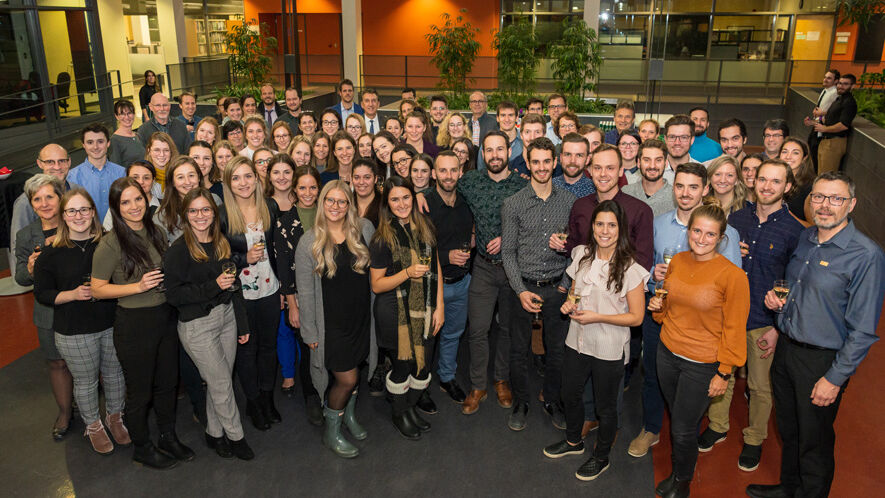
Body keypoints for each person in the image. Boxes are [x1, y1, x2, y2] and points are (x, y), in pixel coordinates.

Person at [747, 171, 884, 498]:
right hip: (787, 351)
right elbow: (797, 294)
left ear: (851, 204)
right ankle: (789, 488)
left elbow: (863, 330)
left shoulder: (866, 255)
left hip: (821, 362)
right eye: (819, 197)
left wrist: (835, 378)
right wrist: (778, 319)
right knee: (789, 430)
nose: (825, 205)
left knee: (815, 441)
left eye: (835, 199)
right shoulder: (807, 238)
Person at [628, 163, 743, 461]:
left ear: (705, 190)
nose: (686, 193)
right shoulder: (659, 222)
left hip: (703, 330)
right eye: (680, 186)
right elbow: (645, 267)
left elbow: (732, 291)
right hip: (661, 314)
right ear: (672, 186)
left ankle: (684, 434)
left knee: (690, 393)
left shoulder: (725, 232)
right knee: (652, 375)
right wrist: (654, 274)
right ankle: (651, 428)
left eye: (694, 187)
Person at [702, 159, 804, 472]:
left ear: (787, 187)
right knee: (724, 375)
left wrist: (778, 326)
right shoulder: (736, 218)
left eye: (776, 181)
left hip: (763, 322)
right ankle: (718, 426)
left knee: (760, 386)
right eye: (762, 179)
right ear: (753, 181)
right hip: (728, 315)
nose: (767, 186)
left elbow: (795, 280)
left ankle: (755, 438)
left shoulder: (795, 230)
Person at [648, 200, 750, 498]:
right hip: (667, 353)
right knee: (677, 418)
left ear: (721, 237)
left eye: (709, 234)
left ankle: (682, 481)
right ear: (689, 231)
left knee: (682, 427)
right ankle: (679, 472)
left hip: (703, 364)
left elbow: (734, 328)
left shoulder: (733, 276)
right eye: (696, 231)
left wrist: (724, 372)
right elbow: (667, 302)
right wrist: (658, 306)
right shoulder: (677, 261)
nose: (701, 239)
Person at [543, 200, 649, 481]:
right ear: (592, 226)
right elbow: (575, 293)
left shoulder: (630, 268)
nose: (605, 230)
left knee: (605, 407)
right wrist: (568, 304)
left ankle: (601, 457)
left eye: (611, 225)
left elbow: (637, 317)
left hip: (608, 347)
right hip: (576, 339)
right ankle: (573, 441)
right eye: (600, 224)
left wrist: (598, 317)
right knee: (570, 394)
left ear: (621, 229)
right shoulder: (581, 254)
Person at [92, 177, 193, 469]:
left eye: (137, 199)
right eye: (125, 202)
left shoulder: (157, 231)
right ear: (116, 207)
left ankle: (167, 436)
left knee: (167, 383)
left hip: (165, 317)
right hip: (135, 323)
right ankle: (142, 446)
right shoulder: (110, 244)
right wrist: (137, 287)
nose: (134, 206)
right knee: (140, 390)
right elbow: (97, 289)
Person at [33, 188, 129, 455]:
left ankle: (115, 417)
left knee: (114, 374)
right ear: (63, 216)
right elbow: (42, 293)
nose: (79, 216)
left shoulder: (108, 242)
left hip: (111, 323)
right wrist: (72, 294)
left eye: (84, 209)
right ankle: (93, 425)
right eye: (72, 211)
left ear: (93, 212)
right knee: (86, 381)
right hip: (74, 330)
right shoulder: (51, 253)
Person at [164, 188, 255, 460]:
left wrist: (242, 324)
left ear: (214, 214)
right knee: (221, 385)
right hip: (197, 325)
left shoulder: (220, 242)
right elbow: (174, 295)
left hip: (226, 316)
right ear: (185, 215)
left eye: (206, 210)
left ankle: (214, 434)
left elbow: (232, 285)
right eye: (193, 211)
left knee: (221, 381)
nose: (200, 216)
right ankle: (236, 437)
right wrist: (211, 286)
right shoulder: (178, 251)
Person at [295, 181, 375, 457]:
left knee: (356, 369)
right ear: (322, 202)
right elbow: (304, 294)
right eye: (330, 200)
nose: (336, 207)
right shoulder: (309, 242)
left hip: (361, 319)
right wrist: (310, 333)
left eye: (342, 202)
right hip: (332, 325)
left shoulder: (364, 229)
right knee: (347, 379)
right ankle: (331, 432)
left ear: (349, 205)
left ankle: (347, 417)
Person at [502, 137, 577, 432]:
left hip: (558, 287)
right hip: (523, 286)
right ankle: (521, 401)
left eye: (548, 161)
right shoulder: (513, 203)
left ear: (555, 162)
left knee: (557, 350)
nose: (542, 167)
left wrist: (567, 283)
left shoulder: (570, 203)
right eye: (536, 162)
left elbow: (578, 249)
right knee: (519, 349)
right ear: (528, 164)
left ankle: (553, 401)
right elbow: (507, 252)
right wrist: (520, 290)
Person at [456, 131, 527, 415]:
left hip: (513, 269)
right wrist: (422, 198)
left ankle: (501, 380)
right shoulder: (470, 182)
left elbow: (532, 227)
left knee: (508, 329)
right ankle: (477, 385)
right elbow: (446, 197)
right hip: (483, 266)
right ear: (482, 154)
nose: (495, 155)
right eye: (489, 150)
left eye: (500, 149)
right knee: (478, 329)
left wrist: (510, 239)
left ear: (509, 151)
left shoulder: (523, 186)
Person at [370, 176, 444, 439]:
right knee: (403, 365)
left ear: (413, 198)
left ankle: (410, 408)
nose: (401, 204)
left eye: (405, 197)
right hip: (393, 311)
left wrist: (439, 306)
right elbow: (377, 285)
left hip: (425, 308)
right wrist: (407, 273)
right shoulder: (382, 237)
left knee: (421, 366)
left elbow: (435, 266)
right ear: (387, 205)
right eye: (394, 199)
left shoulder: (424, 226)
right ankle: (399, 413)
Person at [220, 156, 281, 431]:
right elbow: (217, 262)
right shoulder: (222, 216)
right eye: (236, 178)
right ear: (228, 183)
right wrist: (244, 258)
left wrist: (285, 289)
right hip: (239, 295)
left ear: (256, 178)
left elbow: (279, 251)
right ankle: (253, 401)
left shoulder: (269, 206)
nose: (243, 183)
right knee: (247, 350)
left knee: (269, 348)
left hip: (270, 289)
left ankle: (268, 397)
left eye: (248, 176)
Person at [14, 175, 73, 442]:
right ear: (32, 204)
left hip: (81, 304)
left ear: (60, 198)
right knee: (56, 362)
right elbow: (20, 278)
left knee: (97, 362)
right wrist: (29, 269)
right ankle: (65, 413)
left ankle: (104, 413)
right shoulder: (26, 235)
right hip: (48, 310)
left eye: (49, 196)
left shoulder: (77, 222)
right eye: (37, 199)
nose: (44, 203)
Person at [273, 165, 323, 426]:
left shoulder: (330, 215)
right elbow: (284, 267)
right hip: (302, 297)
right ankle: (312, 396)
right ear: (295, 190)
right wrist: (292, 305)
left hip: (328, 293)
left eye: (312, 187)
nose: (307, 192)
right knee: (308, 347)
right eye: (302, 188)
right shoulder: (284, 223)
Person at [424, 151, 473, 404]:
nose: (448, 175)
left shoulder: (466, 202)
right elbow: (418, 250)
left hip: (462, 282)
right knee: (426, 337)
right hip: (433, 285)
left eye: (453, 170)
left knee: (453, 333)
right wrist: (446, 257)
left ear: (460, 172)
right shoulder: (424, 204)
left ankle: (446, 376)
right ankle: (419, 385)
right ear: (434, 174)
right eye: (442, 170)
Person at [563, 144, 653, 270]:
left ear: (621, 170)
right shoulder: (580, 206)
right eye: (597, 168)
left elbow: (643, 262)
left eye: (610, 168)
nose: (603, 174)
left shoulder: (640, 211)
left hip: (623, 287)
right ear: (590, 171)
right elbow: (572, 249)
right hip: (584, 285)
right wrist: (560, 245)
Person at [8, 144, 78, 280]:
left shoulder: (77, 191)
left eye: (62, 161)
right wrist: (26, 274)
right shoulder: (24, 202)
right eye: (50, 162)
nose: (57, 167)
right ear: (39, 163)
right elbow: (18, 246)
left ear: (69, 161)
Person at [67, 124, 126, 220]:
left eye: (100, 141)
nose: (95, 147)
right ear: (83, 145)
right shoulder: (72, 177)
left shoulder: (122, 173)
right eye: (90, 142)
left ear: (108, 143)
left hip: (118, 231)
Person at [808, 73, 857, 174]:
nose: (840, 86)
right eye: (840, 83)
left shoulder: (849, 103)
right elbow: (829, 118)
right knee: (820, 173)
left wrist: (825, 129)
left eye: (845, 84)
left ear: (853, 86)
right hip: (825, 141)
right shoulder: (839, 99)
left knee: (826, 176)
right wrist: (813, 122)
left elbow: (843, 125)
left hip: (834, 143)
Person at [622, 139, 675, 217]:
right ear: (639, 163)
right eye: (647, 160)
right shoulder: (625, 193)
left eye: (658, 160)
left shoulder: (676, 197)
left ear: (666, 163)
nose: (652, 166)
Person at [103, 160, 161, 230]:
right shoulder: (117, 208)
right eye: (135, 178)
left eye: (146, 178)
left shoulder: (164, 207)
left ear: (153, 181)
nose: (140, 182)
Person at [806, 69, 840, 170]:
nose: (825, 79)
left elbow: (834, 111)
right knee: (810, 149)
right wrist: (812, 121)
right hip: (817, 124)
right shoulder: (825, 90)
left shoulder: (835, 93)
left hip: (823, 128)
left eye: (829, 78)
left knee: (815, 153)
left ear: (836, 81)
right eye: (825, 77)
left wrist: (822, 113)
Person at [779, 136, 816, 223]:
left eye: (795, 153)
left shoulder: (810, 187)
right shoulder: (773, 180)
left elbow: (813, 228)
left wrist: (790, 217)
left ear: (804, 158)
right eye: (784, 152)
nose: (788, 156)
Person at [553, 132, 595, 198]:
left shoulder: (595, 192)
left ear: (587, 160)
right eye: (568, 154)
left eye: (579, 155)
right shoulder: (549, 187)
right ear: (561, 158)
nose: (572, 161)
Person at [663, 115, 698, 184]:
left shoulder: (701, 171)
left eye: (683, 137)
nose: (677, 143)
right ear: (665, 139)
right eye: (672, 137)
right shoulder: (653, 170)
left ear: (692, 140)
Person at [110, 99, 145, 167]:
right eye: (122, 114)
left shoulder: (137, 136)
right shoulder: (114, 140)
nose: (127, 117)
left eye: (129, 113)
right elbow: (116, 169)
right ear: (116, 116)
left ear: (134, 114)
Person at [352, 159, 382, 227]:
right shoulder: (346, 204)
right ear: (352, 179)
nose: (361, 182)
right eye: (356, 177)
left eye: (367, 177)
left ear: (375, 179)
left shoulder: (384, 206)